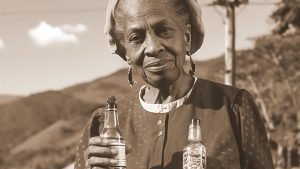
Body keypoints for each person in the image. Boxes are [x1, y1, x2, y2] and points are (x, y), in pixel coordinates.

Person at [74, 0, 275, 168]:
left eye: (164, 31)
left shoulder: (234, 107)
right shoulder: (102, 125)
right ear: (125, 51)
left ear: (186, 37)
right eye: (136, 38)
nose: (153, 47)